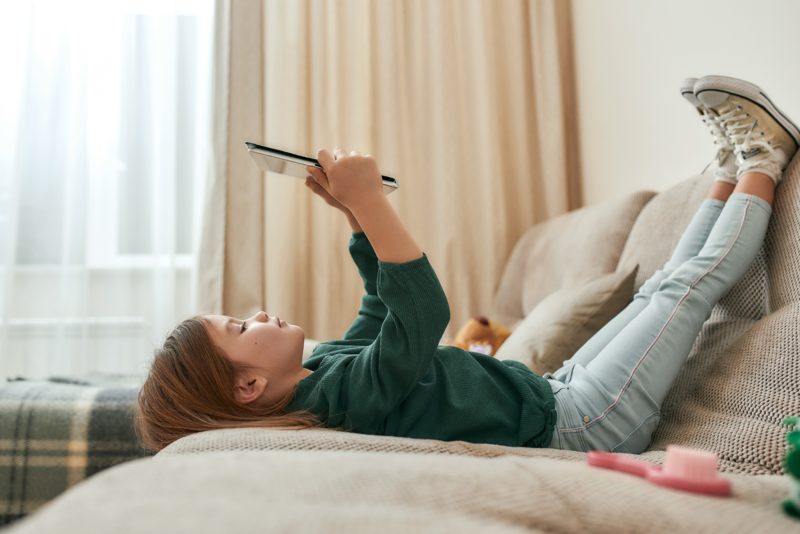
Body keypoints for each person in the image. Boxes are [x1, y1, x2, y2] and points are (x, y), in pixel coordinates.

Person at [134, 75, 799, 454]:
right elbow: (421, 315)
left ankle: (728, 171)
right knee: (680, 290)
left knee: (659, 289)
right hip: (584, 426)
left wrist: (354, 219)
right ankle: (766, 156)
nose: (256, 314)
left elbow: (379, 310)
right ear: (248, 388)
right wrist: (370, 202)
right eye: (240, 328)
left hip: (554, 395)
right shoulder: (341, 401)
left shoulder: (325, 369)